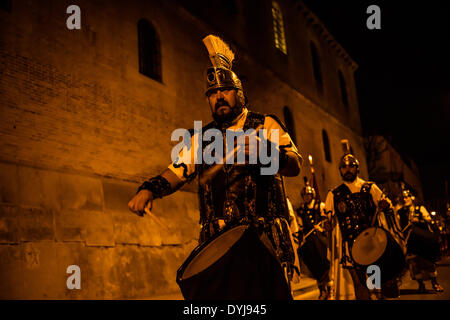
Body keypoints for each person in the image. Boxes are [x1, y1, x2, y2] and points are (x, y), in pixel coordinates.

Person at [128, 35, 302, 300]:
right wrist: (150, 189)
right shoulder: (201, 138)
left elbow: (295, 165)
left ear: (239, 93)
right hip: (218, 243)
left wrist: (267, 152)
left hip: (262, 240)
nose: (218, 97)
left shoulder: (266, 124)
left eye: (225, 91)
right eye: (212, 94)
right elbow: (177, 171)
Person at [324, 142, 403, 300]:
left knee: (376, 283)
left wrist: (385, 206)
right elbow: (329, 220)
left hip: (373, 243)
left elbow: (388, 208)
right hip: (349, 245)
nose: (347, 170)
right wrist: (328, 224)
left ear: (357, 168)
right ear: (340, 170)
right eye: (344, 167)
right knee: (359, 283)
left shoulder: (370, 188)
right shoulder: (334, 194)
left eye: (351, 166)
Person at [396, 189, 444, 293]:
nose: (405, 199)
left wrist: (420, 220)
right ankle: (421, 284)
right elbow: (398, 225)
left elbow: (429, 220)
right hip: (411, 241)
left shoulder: (419, 208)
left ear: (411, 198)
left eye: (407, 197)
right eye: (403, 198)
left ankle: (434, 283)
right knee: (414, 263)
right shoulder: (400, 212)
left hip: (423, 239)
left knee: (428, 261)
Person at [295, 179, 331, 300]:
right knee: (313, 264)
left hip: (320, 239)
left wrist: (321, 227)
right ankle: (322, 289)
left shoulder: (319, 206)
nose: (306, 197)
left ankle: (328, 288)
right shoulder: (301, 209)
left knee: (324, 263)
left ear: (312, 195)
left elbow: (327, 220)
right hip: (309, 241)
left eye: (308, 195)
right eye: (304, 195)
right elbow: (299, 226)